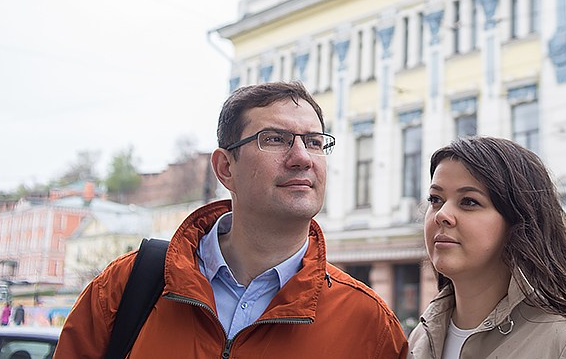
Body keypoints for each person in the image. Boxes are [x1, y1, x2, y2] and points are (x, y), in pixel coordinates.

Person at [56, 81, 407, 358]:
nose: (302, 157)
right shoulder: (127, 287)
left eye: (314, 142)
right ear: (226, 168)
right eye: (275, 139)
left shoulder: (368, 323)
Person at [409, 137, 566, 358]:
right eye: (436, 199)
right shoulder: (420, 339)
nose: (442, 214)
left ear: (519, 222)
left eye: (469, 201)